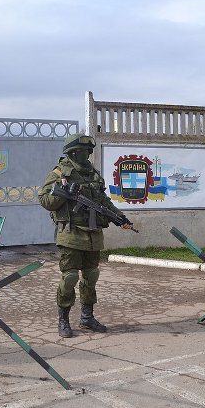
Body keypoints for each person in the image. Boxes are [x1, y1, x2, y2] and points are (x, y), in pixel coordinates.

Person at [38, 134, 133, 338]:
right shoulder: (59, 173)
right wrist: (62, 191)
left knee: (91, 276)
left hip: (93, 234)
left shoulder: (94, 174)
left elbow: (104, 201)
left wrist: (120, 217)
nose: (87, 154)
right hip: (70, 233)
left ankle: (87, 317)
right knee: (70, 277)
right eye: (83, 151)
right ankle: (63, 319)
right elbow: (45, 200)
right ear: (72, 152)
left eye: (88, 151)